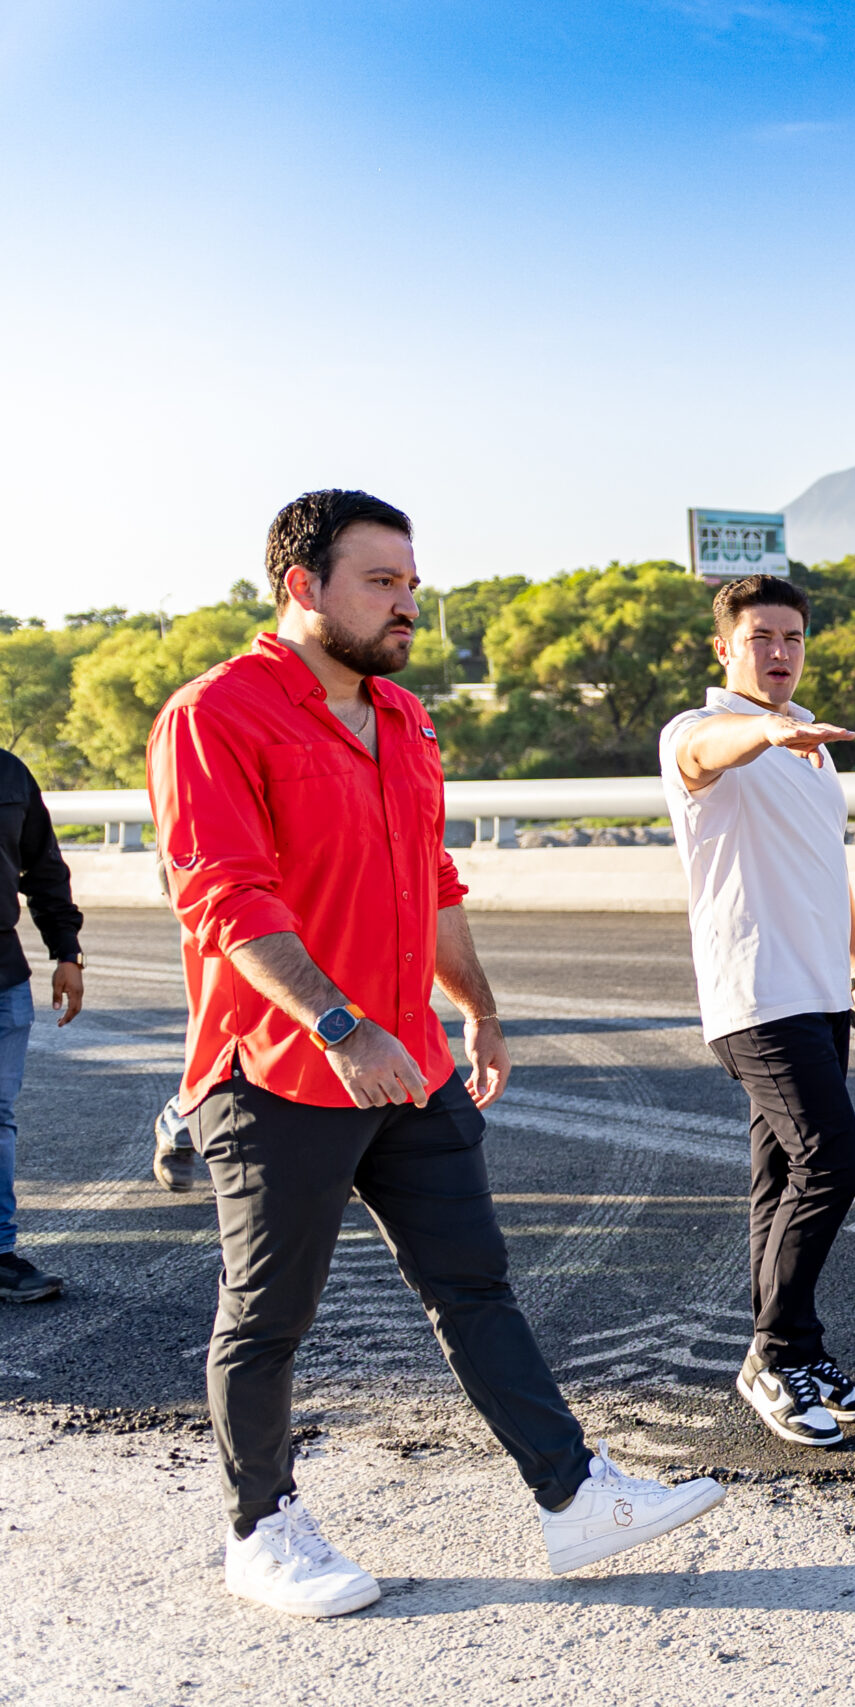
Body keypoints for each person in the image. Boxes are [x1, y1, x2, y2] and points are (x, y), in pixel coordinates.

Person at [150, 489, 722, 1619]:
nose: (409, 603)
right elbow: (222, 895)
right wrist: (338, 1023)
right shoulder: (218, 712)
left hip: (405, 1062)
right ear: (301, 587)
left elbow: (433, 882)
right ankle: (258, 1528)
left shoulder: (405, 719)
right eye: (382, 582)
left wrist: (482, 1008)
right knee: (267, 1315)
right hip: (277, 1064)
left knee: (474, 1286)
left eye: (413, 582)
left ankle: (573, 1498)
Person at [661, 572, 855, 1450]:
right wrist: (763, 728)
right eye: (762, 637)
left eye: (793, 638)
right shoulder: (698, 731)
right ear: (724, 648)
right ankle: (775, 1351)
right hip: (754, 994)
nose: (781, 653)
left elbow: (826, 870)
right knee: (833, 1159)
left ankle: (791, 1354)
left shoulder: (814, 750)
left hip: (818, 992)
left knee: (781, 1179)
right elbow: (708, 751)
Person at [0, 745, 84, 1304]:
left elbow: (45, 868)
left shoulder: (9, 772)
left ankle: (0, 1254)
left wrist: (67, 953)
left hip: (3, 977)